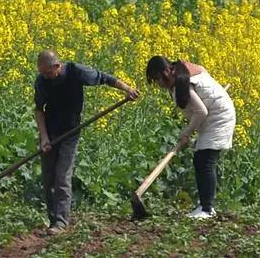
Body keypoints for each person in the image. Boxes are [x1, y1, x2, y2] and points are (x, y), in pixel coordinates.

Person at [34, 49, 139, 234]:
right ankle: (53, 221)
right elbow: (39, 110)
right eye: (42, 73)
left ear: (57, 66)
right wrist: (44, 138)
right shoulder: (42, 81)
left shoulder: (76, 71)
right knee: (48, 178)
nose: (46, 77)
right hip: (49, 133)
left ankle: (61, 223)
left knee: (62, 177)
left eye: (48, 73)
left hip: (70, 133)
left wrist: (128, 90)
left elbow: (104, 78)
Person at [146, 56, 236, 219]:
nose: (159, 84)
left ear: (166, 71)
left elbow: (201, 111)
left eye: (158, 79)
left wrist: (186, 132)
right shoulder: (184, 70)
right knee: (201, 160)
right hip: (213, 116)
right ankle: (205, 206)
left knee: (205, 161)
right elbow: (203, 72)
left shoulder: (183, 83)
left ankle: (207, 209)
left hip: (219, 118)